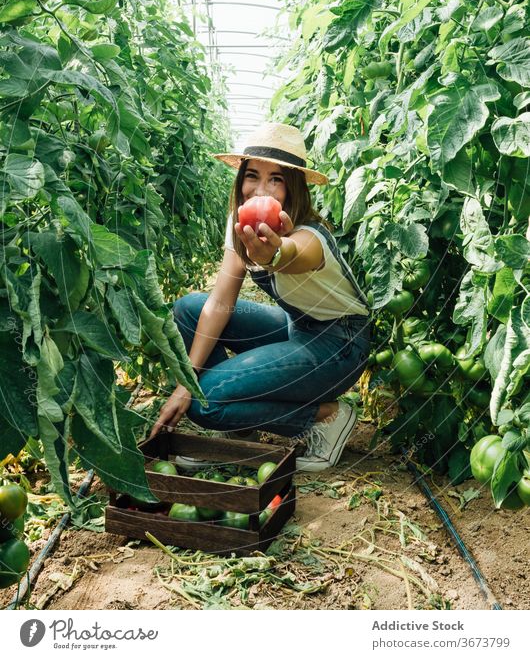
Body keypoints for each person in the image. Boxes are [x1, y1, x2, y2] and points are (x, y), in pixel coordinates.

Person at [150, 122, 371, 471]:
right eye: (252, 175)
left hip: (340, 345)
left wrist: (274, 255)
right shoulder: (241, 224)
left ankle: (326, 416)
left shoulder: (309, 236)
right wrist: (185, 382)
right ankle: (241, 424)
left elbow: (295, 254)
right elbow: (220, 302)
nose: (260, 191)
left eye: (276, 180)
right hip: (297, 329)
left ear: (293, 188)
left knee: (204, 405)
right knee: (188, 310)